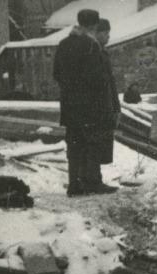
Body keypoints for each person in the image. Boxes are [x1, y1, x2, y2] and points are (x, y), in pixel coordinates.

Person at [53, 9, 118, 197]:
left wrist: (70, 90)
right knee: (92, 143)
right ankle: (93, 182)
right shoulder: (91, 45)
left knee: (74, 146)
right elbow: (96, 78)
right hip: (90, 106)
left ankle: (74, 184)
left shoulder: (64, 44)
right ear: (95, 25)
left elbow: (56, 74)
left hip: (69, 105)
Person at [95, 19, 120, 171]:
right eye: (105, 33)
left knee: (101, 144)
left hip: (106, 105)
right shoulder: (93, 53)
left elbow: (111, 83)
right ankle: (92, 179)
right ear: (96, 33)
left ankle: (95, 178)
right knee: (95, 145)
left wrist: (116, 107)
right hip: (99, 107)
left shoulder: (103, 53)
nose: (108, 37)